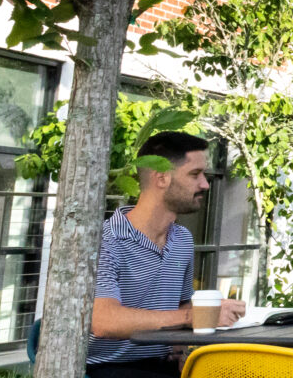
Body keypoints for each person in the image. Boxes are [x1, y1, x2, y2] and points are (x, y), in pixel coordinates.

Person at [88, 131, 247, 378]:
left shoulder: (182, 239)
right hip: (104, 369)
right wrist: (192, 317)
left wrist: (182, 342)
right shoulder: (105, 240)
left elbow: (183, 304)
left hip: (163, 365)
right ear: (161, 178)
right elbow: (103, 321)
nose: (205, 184)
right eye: (195, 174)